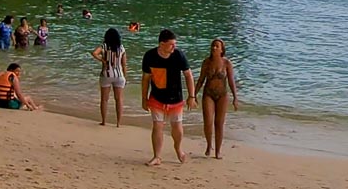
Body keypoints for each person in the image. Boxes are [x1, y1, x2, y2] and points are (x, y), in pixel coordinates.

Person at [141, 29, 195, 165]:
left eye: (174, 44)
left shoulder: (179, 55)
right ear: (162, 44)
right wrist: (144, 98)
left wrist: (192, 96)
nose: (174, 47)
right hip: (156, 98)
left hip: (176, 98)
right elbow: (146, 79)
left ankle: (178, 148)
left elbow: (188, 75)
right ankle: (157, 156)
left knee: (177, 127)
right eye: (171, 44)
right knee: (157, 126)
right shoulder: (149, 56)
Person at [196, 38, 240, 159]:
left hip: (222, 95)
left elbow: (231, 81)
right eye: (212, 46)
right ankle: (209, 145)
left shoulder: (227, 63)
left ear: (222, 50)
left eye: (216, 46)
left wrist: (235, 98)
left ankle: (218, 151)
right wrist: (193, 95)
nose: (214, 48)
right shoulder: (206, 62)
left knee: (219, 123)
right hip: (208, 94)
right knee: (208, 122)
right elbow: (201, 80)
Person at [94, 28, 128, 126]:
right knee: (119, 99)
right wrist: (125, 77)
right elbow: (124, 64)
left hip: (106, 74)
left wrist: (103, 60)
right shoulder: (121, 48)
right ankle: (118, 123)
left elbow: (94, 53)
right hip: (119, 75)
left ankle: (104, 121)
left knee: (104, 99)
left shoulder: (104, 46)